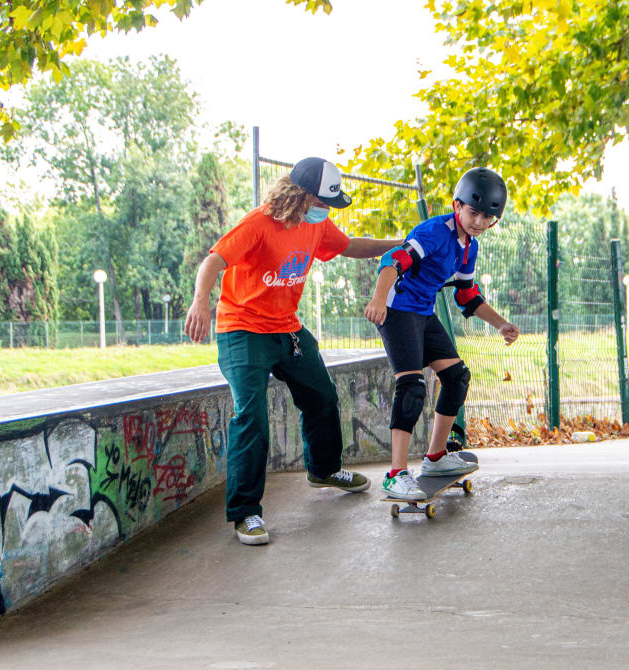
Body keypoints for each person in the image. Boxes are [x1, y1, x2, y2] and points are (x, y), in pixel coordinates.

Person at [185, 157, 402, 545]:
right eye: (322, 204)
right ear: (301, 196)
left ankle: (324, 470)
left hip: (287, 328)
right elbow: (213, 260)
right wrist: (202, 301)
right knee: (251, 415)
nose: (326, 213)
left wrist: (402, 244)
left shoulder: (315, 225)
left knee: (321, 397)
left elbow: (352, 245)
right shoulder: (259, 223)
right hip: (242, 330)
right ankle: (245, 512)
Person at [364, 167, 520, 500]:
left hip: (423, 312)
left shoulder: (469, 247)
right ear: (457, 205)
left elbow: (466, 294)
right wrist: (379, 298)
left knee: (457, 377)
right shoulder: (436, 231)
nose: (478, 221)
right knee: (412, 388)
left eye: (487, 217)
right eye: (473, 212)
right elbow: (396, 259)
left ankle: (434, 458)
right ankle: (395, 474)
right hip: (396, 310)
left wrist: (501, 324)